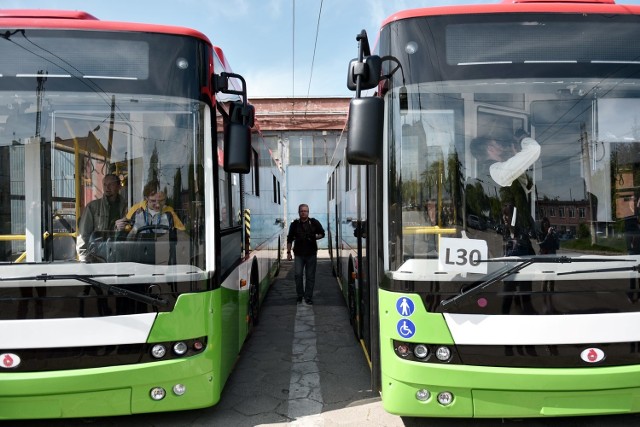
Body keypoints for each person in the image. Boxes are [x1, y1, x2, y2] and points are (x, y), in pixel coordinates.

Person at [76, 173, 127, 261]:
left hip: (121, 253)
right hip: (98, 255)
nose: (107, 188)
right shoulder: (93, 207)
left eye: (111, 184)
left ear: (119, 187)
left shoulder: (127, 206)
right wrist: (83, 257)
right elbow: (84, 234)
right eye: (105, 184)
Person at [470, 129, 541, 188]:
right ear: (490, 148)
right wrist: (522, 139)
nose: (500, 145)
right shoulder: (495, 170)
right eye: (496, 143)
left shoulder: (493, 170)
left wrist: (516, 155)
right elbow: (534, 148)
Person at [287, 203, 325, 304]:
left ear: (308, 212)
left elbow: (322, 234)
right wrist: (288, 252)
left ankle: (308, 297)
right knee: (298, 275)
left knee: (310, 276)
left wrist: (314, 237)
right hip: (299, 254)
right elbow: (289, 239)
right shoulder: (294, 224)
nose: (304, 213)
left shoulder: (314, 222)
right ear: (299, 212)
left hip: (311, 254)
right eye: (302, 211)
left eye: (305, 211)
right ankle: (300, 295)